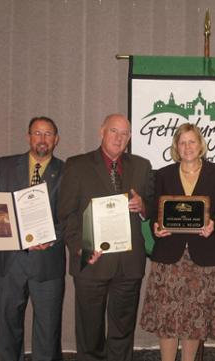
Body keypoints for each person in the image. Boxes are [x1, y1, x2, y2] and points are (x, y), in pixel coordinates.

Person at [58, 114, 154, 361]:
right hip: (92, 261)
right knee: (90, 331)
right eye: (114, 131)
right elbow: (66, 213)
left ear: (130, 138)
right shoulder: (77, 165)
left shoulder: (142, 166)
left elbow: (154, 209)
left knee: (123, 330)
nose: (119, 138)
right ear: (102, 131)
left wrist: (143, 206)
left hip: (128, 264)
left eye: (124, 134)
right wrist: (80, 247)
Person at [0, 116, 65, 361]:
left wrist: (53, 237)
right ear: (28, 137)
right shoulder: (4, 166)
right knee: (7, 327)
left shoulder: (66, 171)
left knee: (48, 330)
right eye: (37, 133)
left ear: (56, 139)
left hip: (47, 262)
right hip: (10, 261)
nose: (42, 139)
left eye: (48, 134)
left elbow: (71, 217)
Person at [140, 123, 215, 361]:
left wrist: (214, 224)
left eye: (192, 141)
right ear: (176, 147)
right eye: (183, 142)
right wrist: (156, 227)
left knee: (195, 319)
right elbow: (153, 211)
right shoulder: (163, 174)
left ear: (200, 144)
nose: (188, 147)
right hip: (169, 257)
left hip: (203, 257)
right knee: (167, 319)